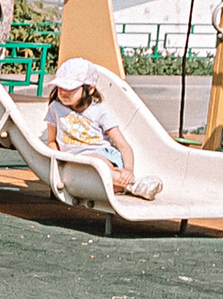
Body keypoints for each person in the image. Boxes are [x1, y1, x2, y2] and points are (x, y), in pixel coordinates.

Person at [45, 57, 159, 199]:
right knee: (110, 187)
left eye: (71, 88)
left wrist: (128, 170)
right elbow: (52, 140)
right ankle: (132, 186)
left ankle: (133, 183)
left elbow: (123, 145)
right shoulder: (55, 108)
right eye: (61, 87)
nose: (64, 92)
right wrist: (58, 159)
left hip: (100, 153)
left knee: (99, 166)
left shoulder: (100, 112)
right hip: (74, 157)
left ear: (90, 89)